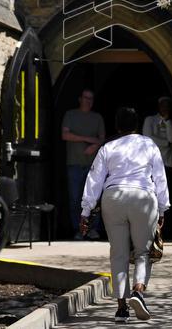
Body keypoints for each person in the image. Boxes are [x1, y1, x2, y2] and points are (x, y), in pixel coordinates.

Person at [80, 106, 169, 324]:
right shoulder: (149, 144)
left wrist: (85, 210)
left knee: (118, 253)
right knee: (142, 251)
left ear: (117, 127)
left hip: (114, 196)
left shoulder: (108, 147)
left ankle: (121, 308)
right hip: (143, 196)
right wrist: (162, 207)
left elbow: (94, 179)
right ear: (137, 125)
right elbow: (160, 176)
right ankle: (138, 291)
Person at [62, 88, 105, 239]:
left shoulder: (97, 117)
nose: (88, 101)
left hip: (93, 166)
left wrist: (95, 145)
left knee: (93, 199)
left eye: (91, 99)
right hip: (74, 164)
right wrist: (88, 139)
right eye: (86, 98)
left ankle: (93, 229)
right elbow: (65, 135)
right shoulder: (71, 115)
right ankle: (79, 230)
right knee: (75, 199)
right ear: (80, 99)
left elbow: (102, 139)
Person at [142, 96, 172, 236]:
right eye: (163, 105)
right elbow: (148, 138)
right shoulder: (150, 120)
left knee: (167, 199)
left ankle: (168, 231)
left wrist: (167, 122)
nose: (165, 108)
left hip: (169, 164)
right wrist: (168, 144)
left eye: (168, 105)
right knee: (153, 198)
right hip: (153, 165)